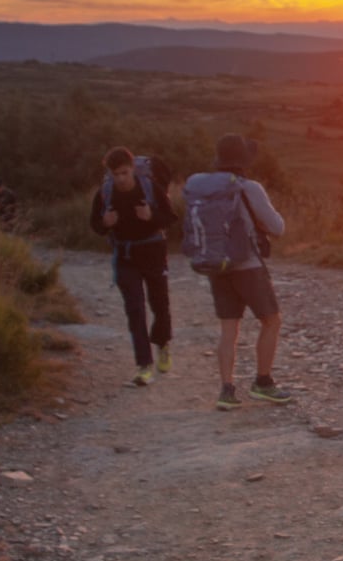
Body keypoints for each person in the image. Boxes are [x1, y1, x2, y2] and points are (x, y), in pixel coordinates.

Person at [184, 134, 292, 410]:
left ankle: (227, 390)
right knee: (271, 321)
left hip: (217, 265)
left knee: (229, 328)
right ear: (244, 161)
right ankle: (263, 383)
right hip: (248, 266)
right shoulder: (249, 188)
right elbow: (277, 227)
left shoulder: (206, 189)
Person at [90, 148, 176, 388]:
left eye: (124, 173)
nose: (120, 179)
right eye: (115, 174)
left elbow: (170, 218)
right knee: (134, 309)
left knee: (159, 303)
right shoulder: (105, 193)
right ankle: (144, 366)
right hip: (125, 257)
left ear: (132, 169)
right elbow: (94, 224)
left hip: (153, 252)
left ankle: (163, 344)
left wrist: (151, 216)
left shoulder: (149, 187)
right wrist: (105, 224)